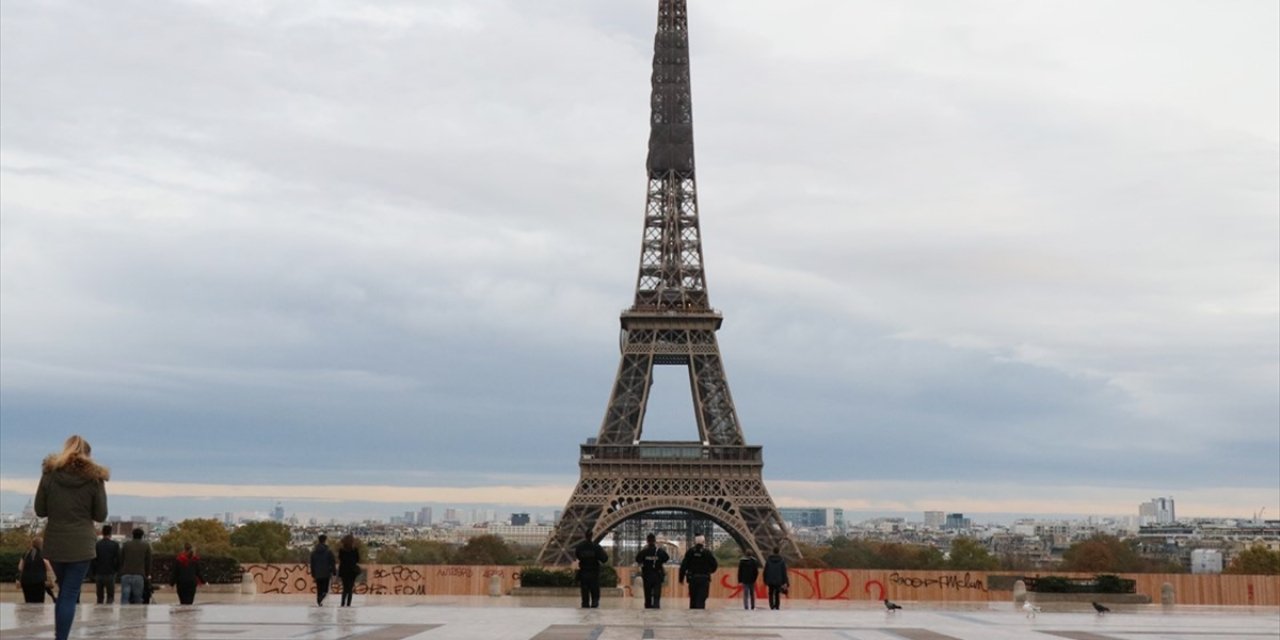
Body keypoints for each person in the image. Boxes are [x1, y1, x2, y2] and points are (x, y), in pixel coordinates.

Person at [35, 435, 109, 640]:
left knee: (63, 591)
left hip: (55, 542)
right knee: (70, 593)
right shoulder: (95, 479)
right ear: (88, 454)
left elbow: (40, 510)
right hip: (82, 544)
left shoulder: (49, 474)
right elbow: (100, 515)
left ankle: (61, 636)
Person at [678, 534, 718, 609]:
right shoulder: (707, 552)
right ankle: (700, 616)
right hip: (704, 578)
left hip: (693, 578)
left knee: (693, 598)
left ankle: (693, 616)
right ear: (703, 542)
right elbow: (715, 565)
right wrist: (709, 571)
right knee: (701, 599)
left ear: (695, 542)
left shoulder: (690, 552)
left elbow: (683, 566)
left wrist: (681, 578)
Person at [635, 533, 669, 609]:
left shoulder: (644, 551)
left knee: (648, 594)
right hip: (657, 575)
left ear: (647, 541)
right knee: (657, 594)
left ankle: (648, 607)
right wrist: (659, 562)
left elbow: (637, 559)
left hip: (647, 575)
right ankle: (656, 607)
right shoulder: (659, 551)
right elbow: (667, 558)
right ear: (655, 541)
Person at [118, 528, 152, 604]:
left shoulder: (126, 545)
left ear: (132, 535)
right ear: (142, 536)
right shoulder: (146, 545)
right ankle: (137, 614)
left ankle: (123, 614)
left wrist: (121, 571)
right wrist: (148, 574)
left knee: (125, 597)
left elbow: (121, 559)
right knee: (138, 598)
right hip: (139, 575)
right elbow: (148, 561)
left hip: (126, 574)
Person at [17, 537, 56, 603]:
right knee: (39, 603)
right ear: (41, 544)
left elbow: (20, 567)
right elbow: (49, 567)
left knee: (28, 602)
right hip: (39, 582)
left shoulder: (26, 554)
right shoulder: (43, 554)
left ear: (32, 544)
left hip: (26, 581)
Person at [573, 537, 609, 608]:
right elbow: (604, 559)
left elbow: (577, 555)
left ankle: (585, 603)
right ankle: (594, 603)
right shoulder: (596, 547)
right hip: (594, 572)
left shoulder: (580, 547)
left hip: (584, 571)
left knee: (584, 590)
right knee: (594, 589)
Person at [93, 524, 121, 604]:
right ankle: (108, 613)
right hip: (110, 573)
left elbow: (93, 559)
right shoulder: (115, 545)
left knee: (99, 597)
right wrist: (116, 570)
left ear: (102, 533)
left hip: (99, 572)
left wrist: (94, 572)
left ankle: (99, 612)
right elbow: (118, 559)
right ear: (110, 533)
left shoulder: (97, 545)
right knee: (110, 596)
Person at [309, 534, 336, 607]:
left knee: (319, 588)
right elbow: (332, 562)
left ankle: (319, 600)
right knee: (325, 590)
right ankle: (321, 598)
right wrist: (334, 572)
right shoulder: (328, 552)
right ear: (325, 541)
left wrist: (313, 573)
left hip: (317, 573)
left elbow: (312, 564)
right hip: (326, 573)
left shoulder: (314, 553)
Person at [337, 534, 361, 607]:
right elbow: (357, 560)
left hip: (344, 570)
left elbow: (340, 559)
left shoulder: (341, 550)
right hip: (352, 571)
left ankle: (342, 603)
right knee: (350, 588)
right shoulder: (355, 550)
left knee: (345, 588)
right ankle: (348, 604)